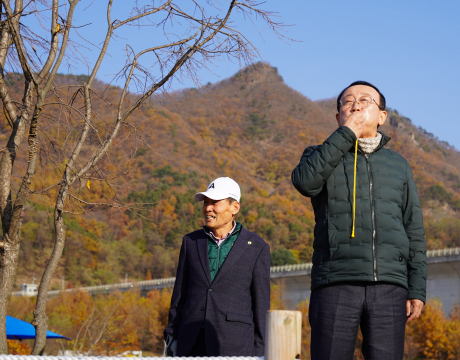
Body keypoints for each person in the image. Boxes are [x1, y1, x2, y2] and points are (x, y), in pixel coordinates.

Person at [291, 81, 428, 360]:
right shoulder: (319, 155)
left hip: (389, 285)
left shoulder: (398, 164)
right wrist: (345, 135)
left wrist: (416, 288)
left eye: (366, 100)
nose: (355, 105)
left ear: (382, 117)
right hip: (335, 281)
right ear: (338, 116)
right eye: (347, 101)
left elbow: (413, 227)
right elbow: (305, 183)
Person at [164, 177, 270, 357]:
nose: (207, 208)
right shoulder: (190, 241)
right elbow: (179, 295)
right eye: (206, 203)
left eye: (215, 203)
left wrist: (260, 350)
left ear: (234, 207)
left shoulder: (257, 247)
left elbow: (261, 304)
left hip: (235, 345)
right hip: (191, 342)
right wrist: (172, 336)